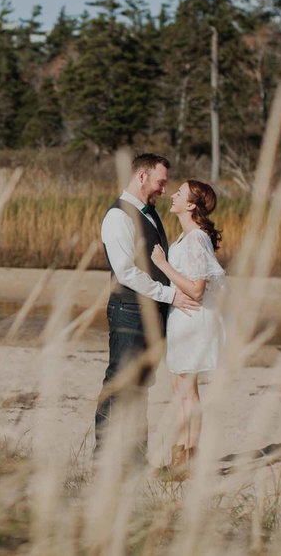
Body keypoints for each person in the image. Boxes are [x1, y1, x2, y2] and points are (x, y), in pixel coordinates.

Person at [95, 154, 201, 461]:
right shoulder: (118, 216)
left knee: (140, 385)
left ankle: (134, 457)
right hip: (129, 311)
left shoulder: (149, 213)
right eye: (161, 182)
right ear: (142, 177)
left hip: (151, 313)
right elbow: (126, 272)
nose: (164, 190)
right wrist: (170, 295)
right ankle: (102, 458)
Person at [150, 180, 226, 474]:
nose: (173, 195)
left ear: (191, 205)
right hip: (182, 318)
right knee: (178, 388)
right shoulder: (186, 237)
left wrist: (163, 265)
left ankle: (190, 458)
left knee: (187, 391)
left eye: (179, 193)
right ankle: (181, 455)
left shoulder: (196, 239)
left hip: (193, 319)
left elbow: (197, 289)